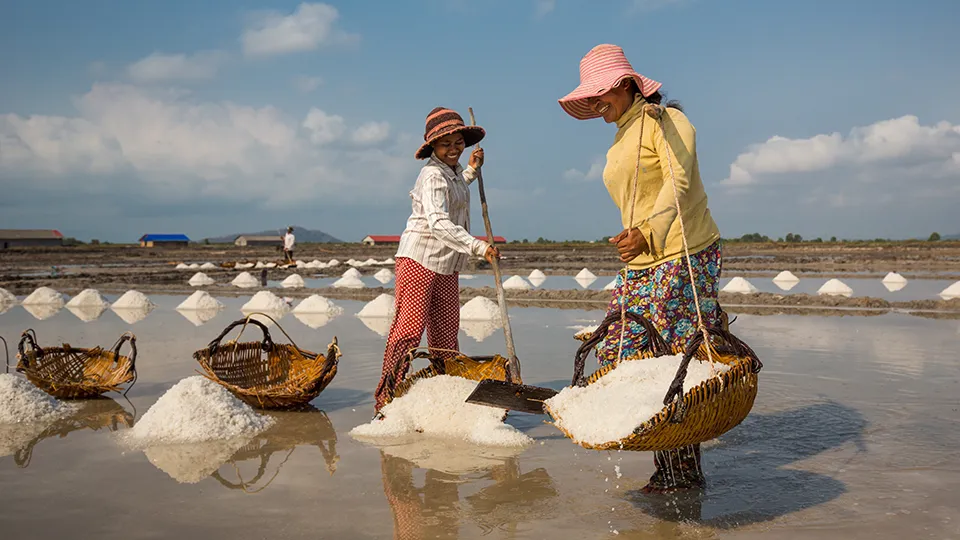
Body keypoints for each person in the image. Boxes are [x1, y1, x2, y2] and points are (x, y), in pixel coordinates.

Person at [558, 44, 723, 493]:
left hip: (683, 254)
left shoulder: (667, 121)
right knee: (622, 351)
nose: (596, 103)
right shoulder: (621, 135)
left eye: (602, 93)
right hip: (641, 260)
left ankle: (680, 472)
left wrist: (649, 232)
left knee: (673, 361)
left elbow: (679, 181)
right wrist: (636, 237)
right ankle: (663, 457)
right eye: (591, 96)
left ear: (628, 86)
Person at [372, 107, 500, 415]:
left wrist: (471, 170)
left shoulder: (452, 172)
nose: (454, 148)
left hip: (446, 263)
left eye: (458, 142)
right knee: (409, 330)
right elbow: (439, 222)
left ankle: (445, 390)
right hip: (420, 259)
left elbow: (455, 190)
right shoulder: (431, 175)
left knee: (446, 330)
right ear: (433, 148)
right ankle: (386, 397)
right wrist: (477, 247)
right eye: (446, 145)